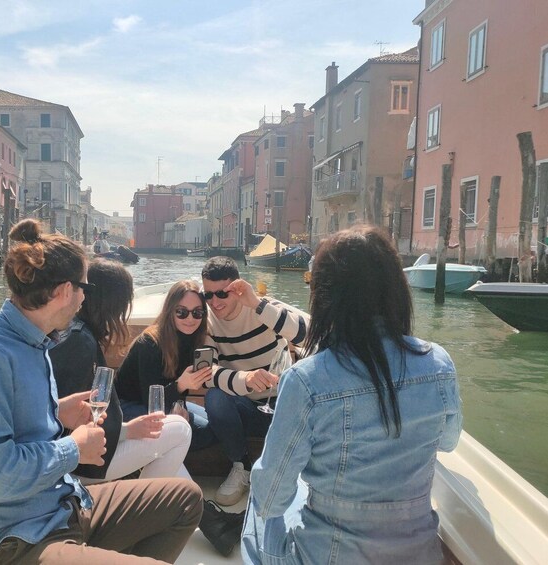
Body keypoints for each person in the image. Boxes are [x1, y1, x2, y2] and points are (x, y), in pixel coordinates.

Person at [0, 218, 202, 565]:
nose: (84, 299)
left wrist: (56, 412)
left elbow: (17, 427)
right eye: (83, 289)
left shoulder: (36, 342)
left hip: (61, 507)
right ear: (63, 291)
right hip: (12, 539)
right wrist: (73, 449)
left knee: (186, 499)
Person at [241, 225, 462, 565]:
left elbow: (271, 500)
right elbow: (447, 442)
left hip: (331, 556)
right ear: (396, 290)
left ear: (326, 297)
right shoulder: (439, 364)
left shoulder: (306, 381)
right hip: (419, 556)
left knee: (262, 492)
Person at [50, 258, 193, 482]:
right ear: (115, 303)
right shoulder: (81, 344)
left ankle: (190, 503)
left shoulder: (75, 334)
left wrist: (128, 429)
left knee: (170, 448)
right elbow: (76, 422)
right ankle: (143, 509)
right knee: (180, 430)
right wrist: (126, 431)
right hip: (85, 465)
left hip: (88, 451)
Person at [200, 256, 310, 506]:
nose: (215, 303)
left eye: (222, 294)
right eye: (208, 295)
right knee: (215, 397)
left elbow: (308, 335)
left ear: (237, 288)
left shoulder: (264, 308)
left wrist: (257, 304)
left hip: (283, 408)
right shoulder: (206, 321)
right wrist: (245, 379)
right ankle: (242, 467)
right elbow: (205, 372)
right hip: (245, 411)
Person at [116, 280, 218, 453]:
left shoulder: (192, 339)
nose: (190, 319)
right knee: (199, 432)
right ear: (170, 311)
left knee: (215, 425)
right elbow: (151, 401)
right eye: (181, 312)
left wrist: (180, 405)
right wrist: (181, 386)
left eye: (197, 313)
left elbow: (176, 387)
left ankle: (164, 449)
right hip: (128, 406)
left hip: (165, 401)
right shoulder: (149, 343)